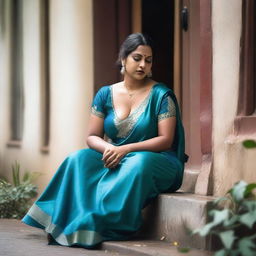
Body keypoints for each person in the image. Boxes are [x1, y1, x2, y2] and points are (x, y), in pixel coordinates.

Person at [22, 33, 187, 248]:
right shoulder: (105, 94)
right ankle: (66, 218)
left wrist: (124, 149)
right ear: (123, 58)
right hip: (116, 153)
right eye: (137, 58)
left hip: (157, 160)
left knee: (138, 163)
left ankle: (104, 222)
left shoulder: (162, 95)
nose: (143, 65)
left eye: (148, 60)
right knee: (78, 158)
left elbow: (166, 140)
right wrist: (110, 148)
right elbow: (92, 136)